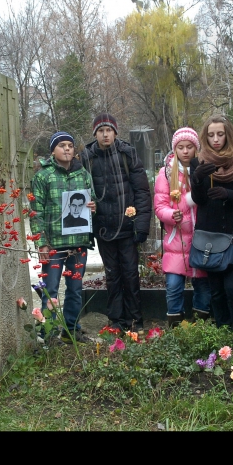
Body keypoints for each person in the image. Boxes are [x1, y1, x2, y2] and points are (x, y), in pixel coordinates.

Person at [80, 113, 151, 333]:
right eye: (100, 131)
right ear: (95, 134)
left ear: (115, 132)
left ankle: (135, 319)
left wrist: (141, 224)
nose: (105, 134)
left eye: (108, 130)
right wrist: (87, 228)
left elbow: (141, 192)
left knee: (130, 273)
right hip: (104, 228)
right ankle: (116, 320)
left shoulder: (127, 154)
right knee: (112, 274)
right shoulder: (87, 158)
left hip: (127, 227)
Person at [30, 131, 97, 344]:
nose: (67, 149)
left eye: (70, 145)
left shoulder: (83, 174)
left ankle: (71, 329)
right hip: (54, 245)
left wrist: (93, 206)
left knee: (75, 289)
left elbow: (92, 199)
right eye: (62, 146)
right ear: (53, 150)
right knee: (50, 290)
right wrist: (41, 242)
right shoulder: (43, 176)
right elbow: (36, 211)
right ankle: (47, 332)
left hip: (78, 242)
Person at [191, 115, 233, 330]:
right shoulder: (199, 160)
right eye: (211, 135)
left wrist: (228, 193)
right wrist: (197, 179)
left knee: (232, 288)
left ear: (228, 134)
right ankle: (223, 330)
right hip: (210, 233)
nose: (216, 139)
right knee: (216, 290)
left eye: (220, 134)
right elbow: (199, 200)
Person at [154, 127, 212, 327]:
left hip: (200, 238)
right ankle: (175, 324)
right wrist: (171, 215)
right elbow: (160, 205)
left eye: (189, 147)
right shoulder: (166, 173)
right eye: (181, 147)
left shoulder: (203, 170)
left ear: (196, 149)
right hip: (176, 239)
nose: (185, 151)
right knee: (173, 285)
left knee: (203, 285)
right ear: (175, 149)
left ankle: (200, 325)